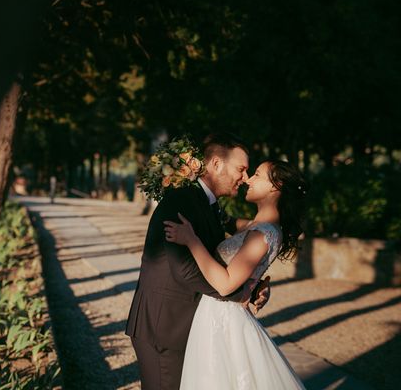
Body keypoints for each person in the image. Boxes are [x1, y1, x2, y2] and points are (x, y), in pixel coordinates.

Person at [125, 132, 271, 390]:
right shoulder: (182, 199)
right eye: (241, 169)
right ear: (216, 164)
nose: (245, 178)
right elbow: (184, 268)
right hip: (164, 324)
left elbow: (216, 260)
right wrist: (238, 293)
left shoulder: (208, 204)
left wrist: (251, 285)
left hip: (183, 324)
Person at [164, 159, 308, 389]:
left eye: (258, 175)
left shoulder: (262, 233)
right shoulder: (256, 226)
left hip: (221, 319)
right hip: (217, 314)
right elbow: (226, 221)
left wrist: (191, 240)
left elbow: (226, 284)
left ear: (276, 185)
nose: (248, 179)